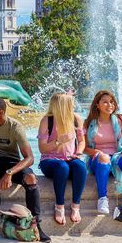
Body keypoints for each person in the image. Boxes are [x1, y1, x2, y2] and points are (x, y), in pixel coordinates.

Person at [0, 97, 50, 242]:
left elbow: (29, 158)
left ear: (0, 112)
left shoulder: (15, 127)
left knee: (31, 179)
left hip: (11, 163)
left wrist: (10, 172)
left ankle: (36, 224)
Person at [82, 90, 122, 215]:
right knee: (104, 158)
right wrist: (96, 151)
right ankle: (102, 198)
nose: (110, 105)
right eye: (105, 102)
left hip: (117, 155)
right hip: (97, 159)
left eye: (112, 102)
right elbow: (83, 148)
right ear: (97, 104)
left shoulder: (121, 120)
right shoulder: (89, 123)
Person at [37, 93, 88, 225]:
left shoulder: (76, 119)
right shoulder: (47, 121)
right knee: (62, 167)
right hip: (50, 161)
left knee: (81, 167)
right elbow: (42, 149)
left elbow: (82, 141)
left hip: (70, 158)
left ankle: (76, 206)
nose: (73, 106)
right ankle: (59, 206)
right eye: (70, 103)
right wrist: (58, 141)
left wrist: (79, 152)